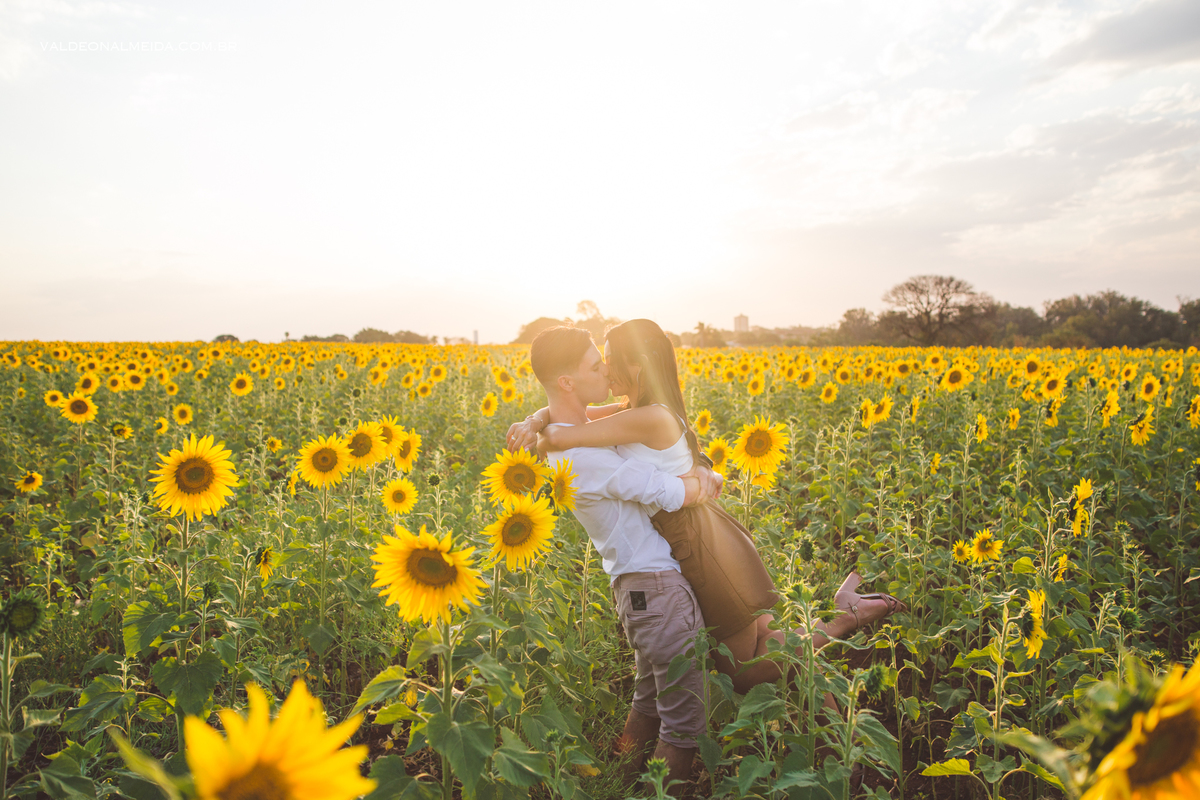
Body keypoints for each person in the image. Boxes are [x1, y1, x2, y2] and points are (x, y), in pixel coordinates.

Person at [508, 319, 905, 695]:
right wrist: (536, 419)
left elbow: (565, 435)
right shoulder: (636, 409)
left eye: (609, 359)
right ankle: (836, 717)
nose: (606, 369)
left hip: (702, 544)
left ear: (638, 365)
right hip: (707, 536)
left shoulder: (645, 416)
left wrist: (541, 433)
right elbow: (571, 417)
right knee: (770, 641)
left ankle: (844, 617)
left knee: (743, 669)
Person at [525, 325, 722, 793]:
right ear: (568, 382)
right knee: (684, 720)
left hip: (638, 587)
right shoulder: (583, 454)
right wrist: (704, 479)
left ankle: (617, 781)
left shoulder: (569, 438)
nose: (607, 370)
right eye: (597, 365)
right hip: (657, 587)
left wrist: (536, 421)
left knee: (649, 699)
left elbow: (608, 415)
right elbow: (667, 492)